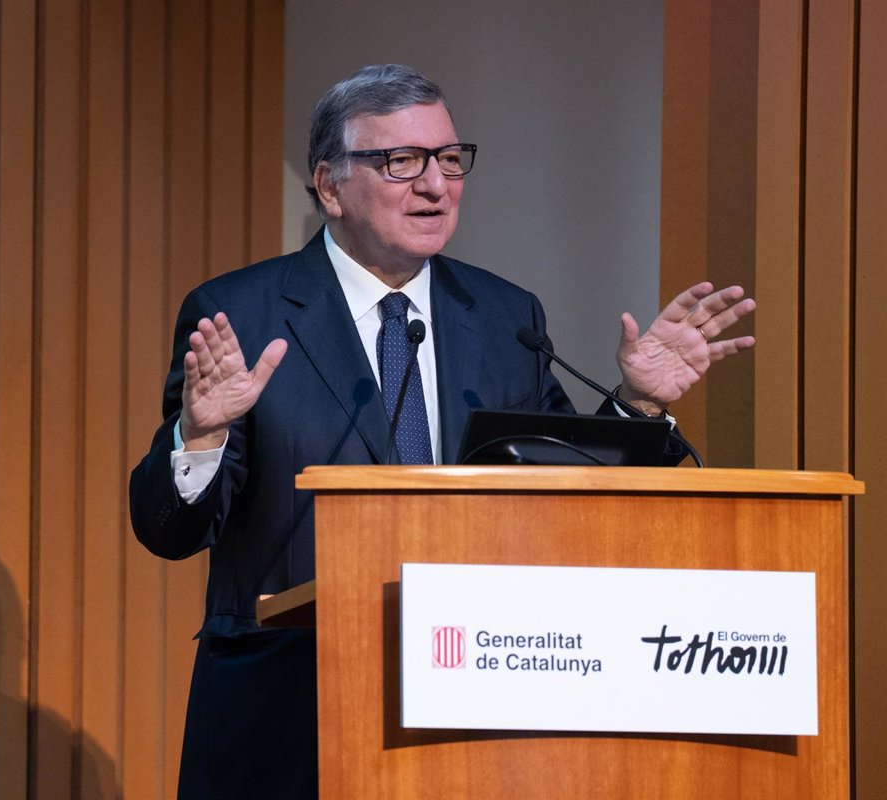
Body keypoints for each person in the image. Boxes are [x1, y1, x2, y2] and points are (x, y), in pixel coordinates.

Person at [129, 64, 754, 799]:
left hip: (475, 717)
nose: (435, 185)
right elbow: (169, 531)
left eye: (450, 159)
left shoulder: (504, 316)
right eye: (402, 161)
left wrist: (638, 405)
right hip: (286, 721)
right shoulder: (241, 312)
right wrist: (201, 435)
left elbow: (562, 489)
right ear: (329, 185)